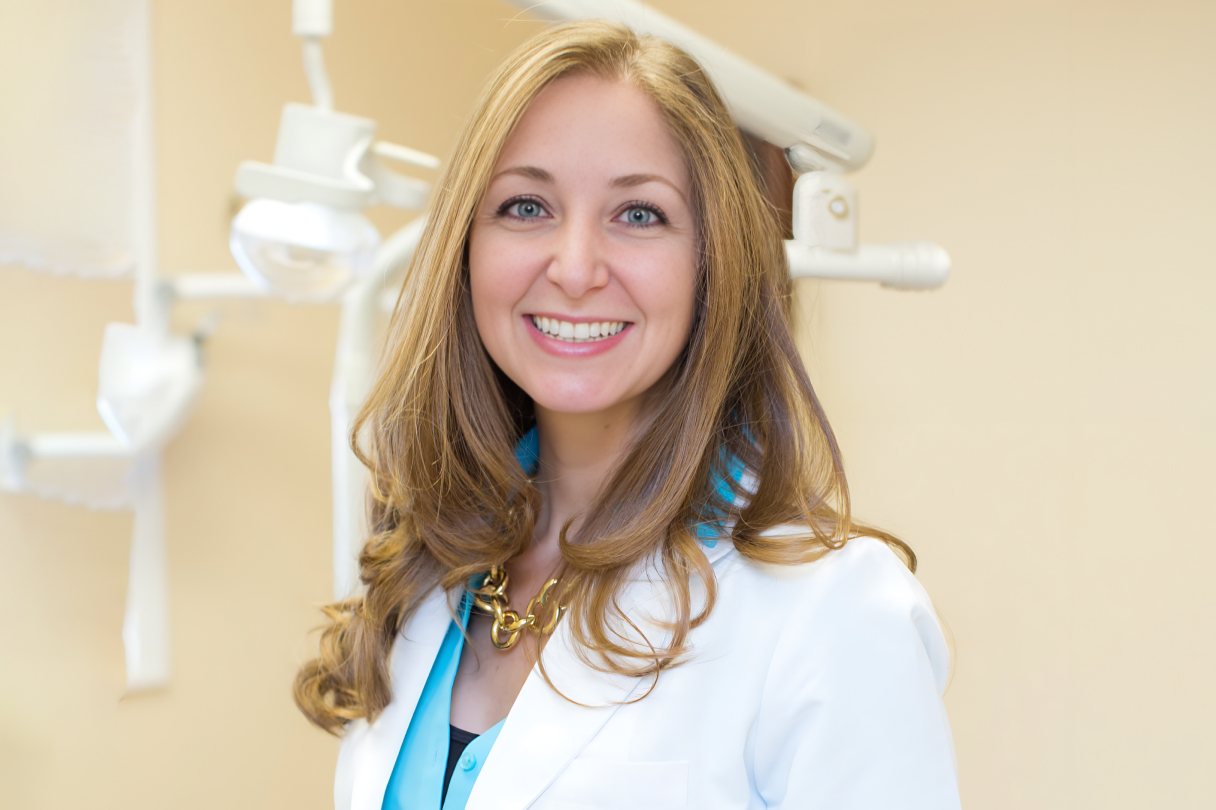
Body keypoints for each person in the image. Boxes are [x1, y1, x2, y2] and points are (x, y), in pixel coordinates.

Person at [294, 20, 960, 810]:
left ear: (713, 264)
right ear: (466, 248)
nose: (575, 269)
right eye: (526, 205)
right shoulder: (433, 563)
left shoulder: (830, 612)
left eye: (639, 214)